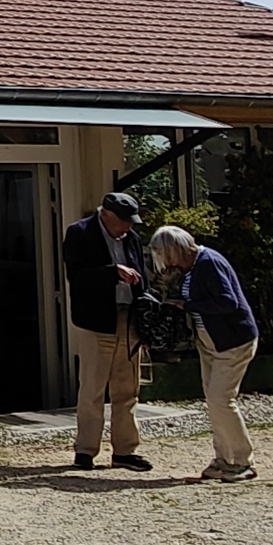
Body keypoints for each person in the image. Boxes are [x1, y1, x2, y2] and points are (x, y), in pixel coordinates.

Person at [148, 224, 260, 481]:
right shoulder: (194, 266)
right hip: (211, 342)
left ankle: (242, 461)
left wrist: (187, 305)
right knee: (215, 401)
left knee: (221, 400)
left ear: (174, 250)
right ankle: (224, 458)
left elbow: (227, 301)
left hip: (231, 341)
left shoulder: (208, 263)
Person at [57, 193, 152, 470]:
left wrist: (146, 315)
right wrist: (113, 272)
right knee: (93, 388)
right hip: (96, 322)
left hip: (129, 319)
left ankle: (125, 451)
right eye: (124, 221)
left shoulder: (132, 238)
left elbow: (142, 279)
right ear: (106, 215)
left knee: (127, 389)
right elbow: (77, 277)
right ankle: (85, 450)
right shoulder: (79, 233)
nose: (128, 227)